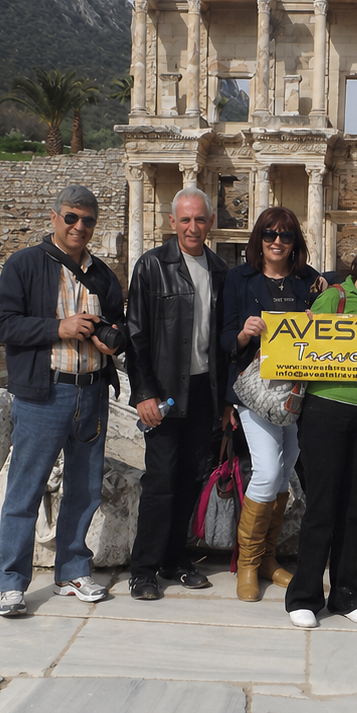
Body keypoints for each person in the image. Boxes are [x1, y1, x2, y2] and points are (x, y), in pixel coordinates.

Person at [0, 185, 127, 618]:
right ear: (54, 218)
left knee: (84, 488)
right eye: (71, 217)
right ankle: (12, 583)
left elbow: (118, 325)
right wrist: (58, 328)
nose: (79, 226)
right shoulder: (25, 264)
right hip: (43, 392)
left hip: (92, 391)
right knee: (25, 489)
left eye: (87, 220)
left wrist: (112, 343)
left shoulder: (103, 275)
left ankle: (73, 571)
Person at [286, 233, 357, 628]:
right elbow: (300, 347)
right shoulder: (333, 298)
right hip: (325, 410)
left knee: (354, 507)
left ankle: (346, 593)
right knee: (322, 506)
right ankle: (303, 596)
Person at [127, 187, 228, 600]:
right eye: (185, 219)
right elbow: (136, 334)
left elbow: (220, 340)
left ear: (210, 222)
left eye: (200, 219)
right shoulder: (152, 265)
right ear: (172, 222)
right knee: (160, 480)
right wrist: (143, 393)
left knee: (191, 477)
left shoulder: (219, 269)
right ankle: (143, 569)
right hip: (165, 391)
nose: (192, 227)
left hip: (204, 390)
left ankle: (175, 559)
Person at [221, 206, 327, 601]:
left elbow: (344, 295)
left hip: (297, 393)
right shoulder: (239, 279)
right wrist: (244, 334)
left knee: (283, 475)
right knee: (266, 471)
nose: (277, 241)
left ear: (295, 241)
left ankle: (267, 559)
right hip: (257, 391)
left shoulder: (310, 282)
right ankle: (247, 563)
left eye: (285, 235)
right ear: (259, 239)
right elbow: (223, 338)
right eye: (269, 234)